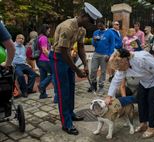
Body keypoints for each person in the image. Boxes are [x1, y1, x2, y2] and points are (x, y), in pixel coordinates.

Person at [49, 2, 102, 135]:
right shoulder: (68, 27)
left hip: (68, 58)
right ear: (83, 16)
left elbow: (81, 47)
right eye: (90, 21)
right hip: (58, 58)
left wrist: (85, 64)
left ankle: (71, 114)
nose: (91, 24)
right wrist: (76, 70)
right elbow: (62, 50)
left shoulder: (82, 29)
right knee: (63, 91)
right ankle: (66, 124)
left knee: (71, 88)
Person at [105, 48, 154, 138]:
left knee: (152, 101)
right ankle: (143, 123)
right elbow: (116, 80)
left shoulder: (141, 59)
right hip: (144, 80)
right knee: (141, 100)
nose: (119, 70)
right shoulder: (122, 65)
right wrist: (109, 96)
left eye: (119, 67)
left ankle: (152, 127)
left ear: (125, 61)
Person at [88, 20, 115, 95]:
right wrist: (94, 40)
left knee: (103, 72)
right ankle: (93, 84)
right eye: (98, 26)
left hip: (105, 55)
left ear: (104, 25)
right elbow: (93, 44)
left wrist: (109, 54)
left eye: (101, 26)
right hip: (96, 53)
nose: (99, 28)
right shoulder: (96, 32)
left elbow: (112, 45)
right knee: (93, 70)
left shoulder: (110, 33)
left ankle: (101, 87)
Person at [37, 24, 52, 99]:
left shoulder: (39, 37)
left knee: (43, 76)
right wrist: (51, 57)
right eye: (48, 30)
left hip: (39, 60)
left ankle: (43, 94)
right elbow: (44, 50)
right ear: (45, 30)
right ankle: (41, 85)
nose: (49, 32)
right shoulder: (43, 38)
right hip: (45, 60)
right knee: (54, 74)